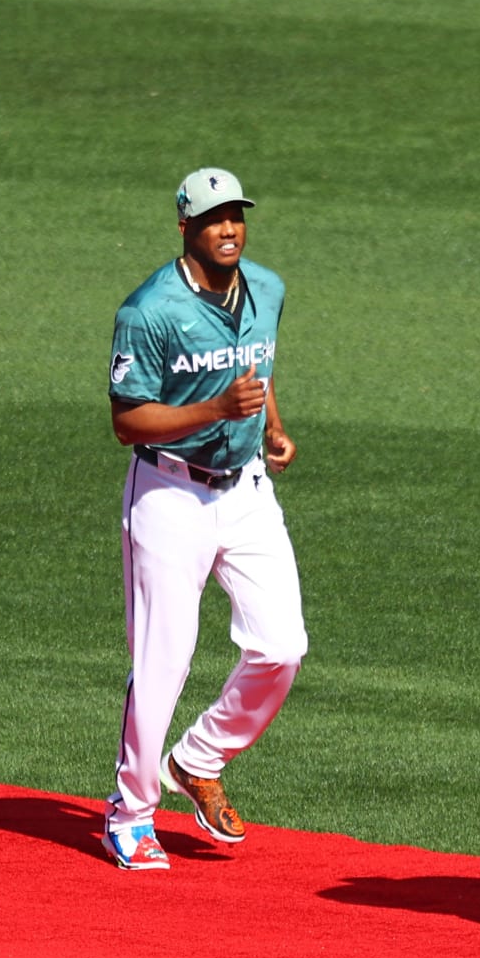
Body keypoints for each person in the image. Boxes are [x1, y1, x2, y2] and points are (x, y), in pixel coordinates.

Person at [101, 167, 307, 870]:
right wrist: (215, 411)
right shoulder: (148, 311)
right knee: (163, 659)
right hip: (168, 491)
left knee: (282, 646)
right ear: (185, 226)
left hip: (246, 490)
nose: (229, 228)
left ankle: (198, 757)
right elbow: (128, 421)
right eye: (214, 218)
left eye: (237, 216)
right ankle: (130, 812)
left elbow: (259, 368)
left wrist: (272, 425)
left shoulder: (268, 288)